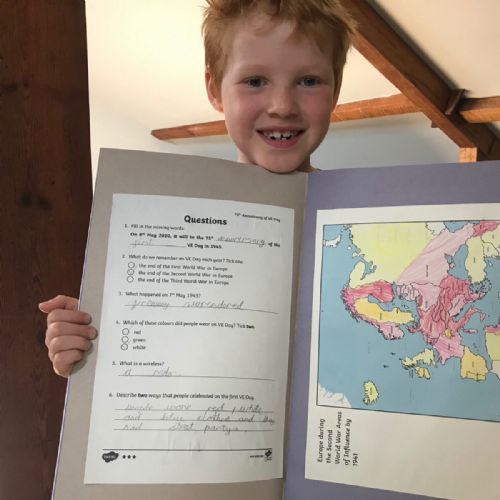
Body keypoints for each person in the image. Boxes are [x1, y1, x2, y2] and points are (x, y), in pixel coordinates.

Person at [39, 0, 356, 377]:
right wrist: (86, 344)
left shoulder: (361, 221)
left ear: (336, 90)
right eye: (255, 81)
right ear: (215, 89)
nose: (282, 106)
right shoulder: (163, 224)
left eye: (309, 81)